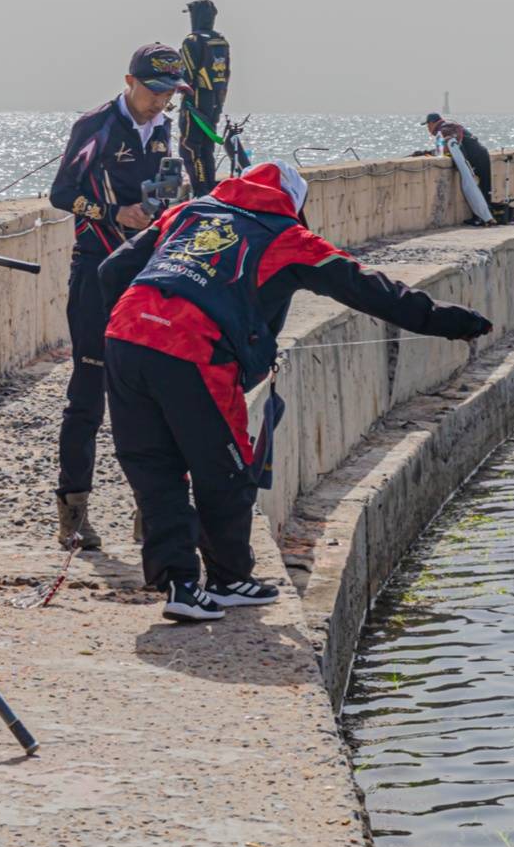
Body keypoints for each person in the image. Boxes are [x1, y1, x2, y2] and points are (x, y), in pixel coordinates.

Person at [98, 159, 494, 621]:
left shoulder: (187, 212)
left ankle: (181, 586)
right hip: (194, 350)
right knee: (225, 468)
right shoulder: (288, 236)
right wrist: (453, 322)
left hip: (125, 337)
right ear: (295, 203)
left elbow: (111, 271)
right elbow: (370, 289)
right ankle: (227, 580)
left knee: (152, 464)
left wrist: (136, 326)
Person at [46, 43, 187, 550]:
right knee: (88, 392)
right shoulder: (97, 125)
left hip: (147, 270)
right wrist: (114, 212)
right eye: (153, 92)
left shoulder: (167, 129)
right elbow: (62, 194)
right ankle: (74, 512)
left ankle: (151, 511)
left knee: (154, 393)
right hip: (97, 270)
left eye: (169, 94)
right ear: (129, 81)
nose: (160, 103)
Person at [178, 0, 231, 195]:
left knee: (190, 147)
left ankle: (200, 189)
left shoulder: (192, 41)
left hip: (196, 100)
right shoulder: (221, 41)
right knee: (207, 146)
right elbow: (226, 73)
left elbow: (187, 76)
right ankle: (210, 186)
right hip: (216, 101)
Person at [426, 113, 496, 223]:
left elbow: (445, 148)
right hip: (482, 153)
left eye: (427, 125)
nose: (428, 129)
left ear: (431, 123)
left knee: (474, 187)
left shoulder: (443, 130)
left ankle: (481, 218)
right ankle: (487, 217)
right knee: (485, 188)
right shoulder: (450, 125)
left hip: (474, 158)